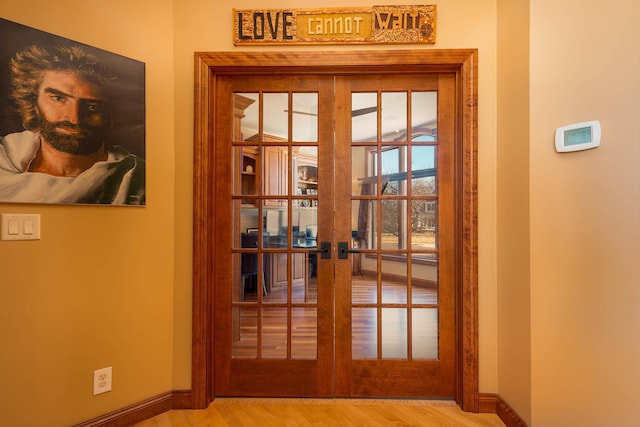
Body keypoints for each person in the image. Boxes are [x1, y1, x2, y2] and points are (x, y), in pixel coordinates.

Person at [0, 44, 145, 205]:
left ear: (109, 112)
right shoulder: (4, 159)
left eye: (92, 106)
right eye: (58, 98)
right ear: (34, 101)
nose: (74, 119)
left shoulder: (137, 177)